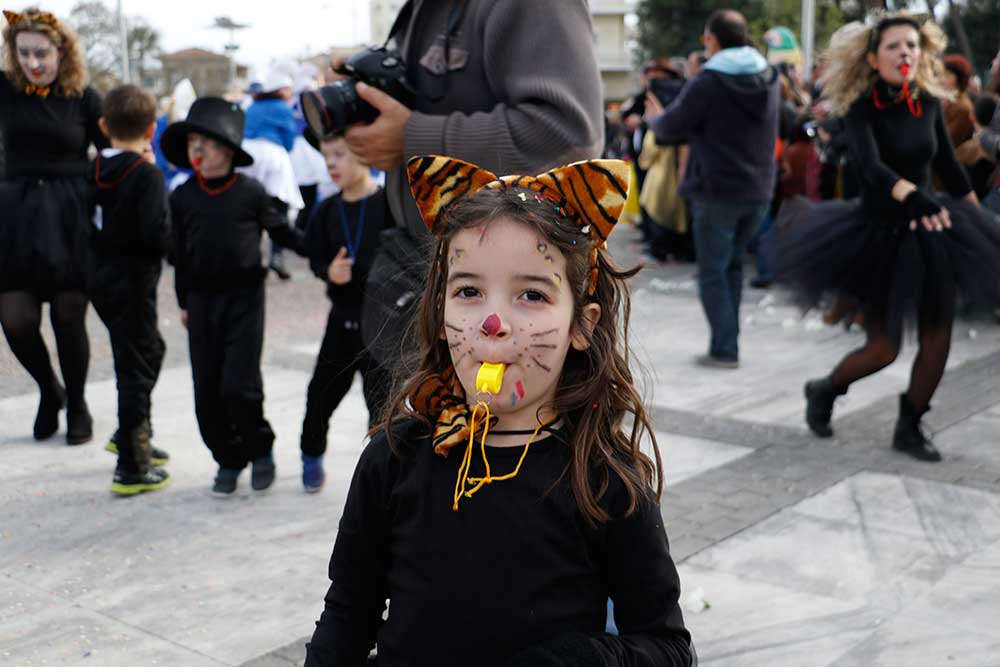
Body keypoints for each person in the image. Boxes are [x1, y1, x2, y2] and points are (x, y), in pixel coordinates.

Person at [304, 156, 693, 666]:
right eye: (468, 291)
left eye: (531, 294)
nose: (492, 322)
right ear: (440, 309)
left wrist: (579, 659)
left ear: (582, 325)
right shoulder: (392, 457)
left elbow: (667, 647)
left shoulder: (604, 478)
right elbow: (348, 614)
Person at [345, 0, 604, 390]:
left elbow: (567, 135)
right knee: (408, 426)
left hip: (496, 300)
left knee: (501, 428)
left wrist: (413, 138)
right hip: (427, 279)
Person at [777, 15, 1000, 462]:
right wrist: (912, 196)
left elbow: (949, 167)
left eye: (911, 45)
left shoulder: (928, 101)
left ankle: (910, 425)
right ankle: (825, 389)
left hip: (933, 229)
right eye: (894, 46)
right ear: (874, 58)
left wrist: (982, 223)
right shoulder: (862, 106)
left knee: (938, 339)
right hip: (879, 233)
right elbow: (871, 167)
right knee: (883, 349)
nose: (905, 53)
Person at [162, 97, 304, 495]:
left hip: (244, 298)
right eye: (192, 142)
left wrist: (322, 252)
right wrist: (183, 301)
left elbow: (283, 232)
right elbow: (180, 257)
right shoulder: (182, 197)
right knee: (206, 393)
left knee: (239, 386)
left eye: (206, 142)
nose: (198, 150)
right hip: (201, 300)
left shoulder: (250, 192)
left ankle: (260, 449)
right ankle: (228, 456)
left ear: (227, 150)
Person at [646, 9, 780, 369]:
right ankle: (728, 342)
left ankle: (724, 349)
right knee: (732, 266)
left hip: (717, 192)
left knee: (713, 271)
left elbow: (669, 129)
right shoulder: (770, 76)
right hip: (759, 191)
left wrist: (655, 119)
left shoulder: (708, 81)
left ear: (713, 41)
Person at [0, 8, 107, 445]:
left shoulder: (84, 97)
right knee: (16, 319)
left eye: (41, 53)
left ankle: (78, 402)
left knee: (68, 317)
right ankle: (49, 389)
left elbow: (111, 150)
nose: (33, 62)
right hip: (15, 217)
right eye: (23, 52)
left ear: (61, 52)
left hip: (69, 216)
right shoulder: (5, 90)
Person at [86, 84, 171, 495]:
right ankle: (131, 466)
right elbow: (157, 236)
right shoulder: (147, 175)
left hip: (101, 280)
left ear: (104, 126)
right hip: (135, 284)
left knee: (149, 352)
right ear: (151, 130)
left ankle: (132, 434)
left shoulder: (91, 169)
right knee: (135, 368)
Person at [299, 135, 392, 493]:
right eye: (326, 156)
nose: (331, 163)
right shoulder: (326, 210)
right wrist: (328, 271)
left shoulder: (388, 204)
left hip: (381, 321)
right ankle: (311, 455)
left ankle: (383, 475)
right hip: (341, 318)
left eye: (339, 154)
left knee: (383, 405)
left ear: (365, 154)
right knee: (320, 394)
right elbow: (314, 256)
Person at [240, 65, 304, 280]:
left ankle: (252, 256)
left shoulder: (252, 107)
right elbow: (289, 141)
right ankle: (276, 256)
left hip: (247, 155)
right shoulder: (283, 108)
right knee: (279, 208)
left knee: (249, 205)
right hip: (272, 154)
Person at [940, 53, 975, 148]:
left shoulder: (963, 108)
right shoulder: (946, 100)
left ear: (959, 79)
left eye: (947, 75)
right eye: (941, 74)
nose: (941, 79)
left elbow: (946, 141)